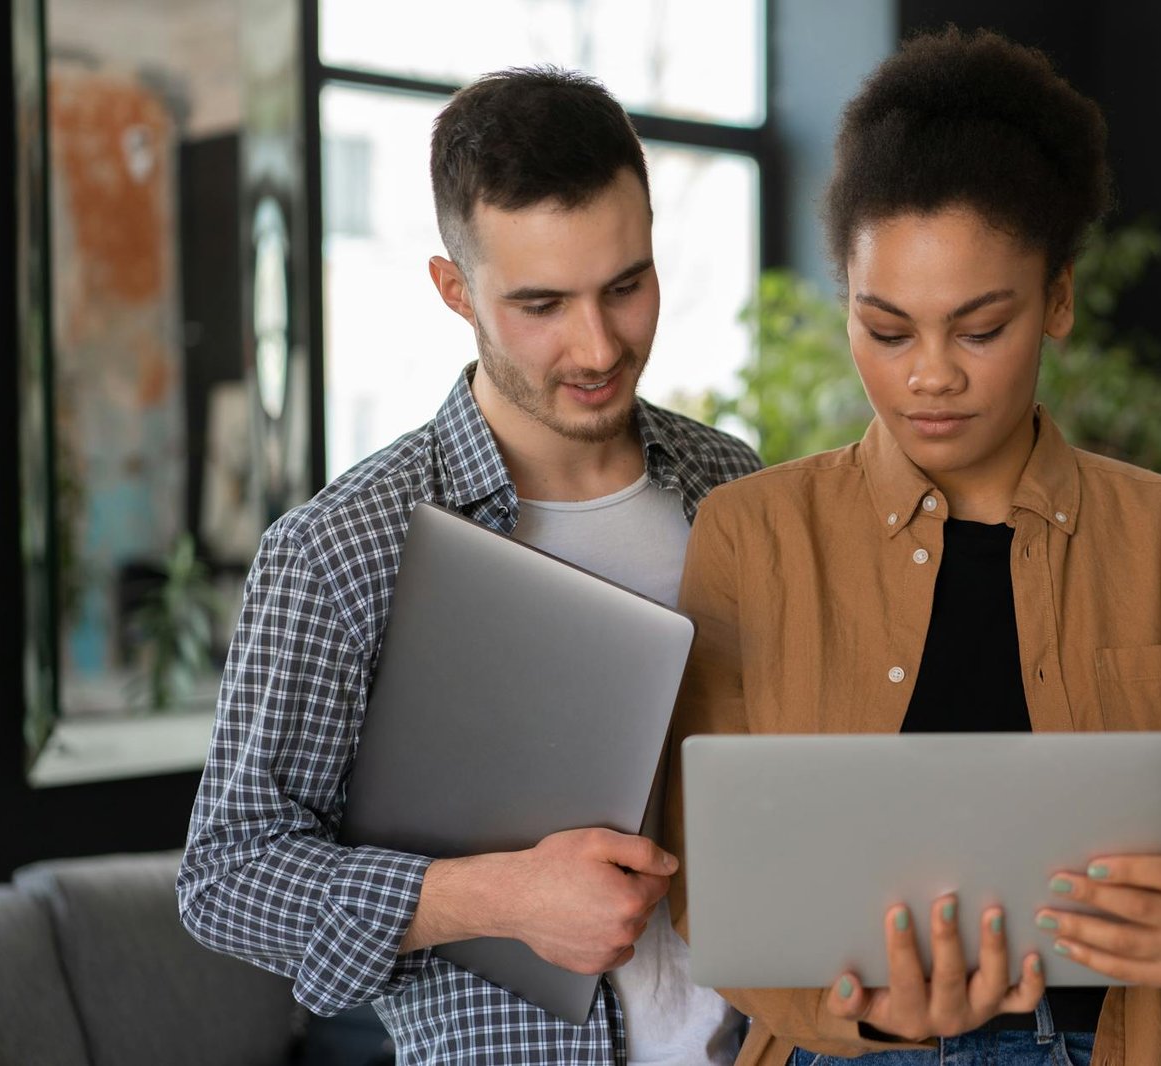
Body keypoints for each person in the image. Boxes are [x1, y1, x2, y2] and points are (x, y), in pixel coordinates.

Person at [665, 28, 1161, 1066]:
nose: (930, 375)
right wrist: (872, 1012)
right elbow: (708, 882)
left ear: (1057, 299)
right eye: (886, 329)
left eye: (978, 329)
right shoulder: (751, 537)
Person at [178, 67, 759, 1065]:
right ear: (455, 290)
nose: (597, 344)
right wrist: (498, 896)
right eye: (540, 303)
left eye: (626, 285)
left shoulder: (734, 484)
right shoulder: (344, 549)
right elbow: (226, 878)